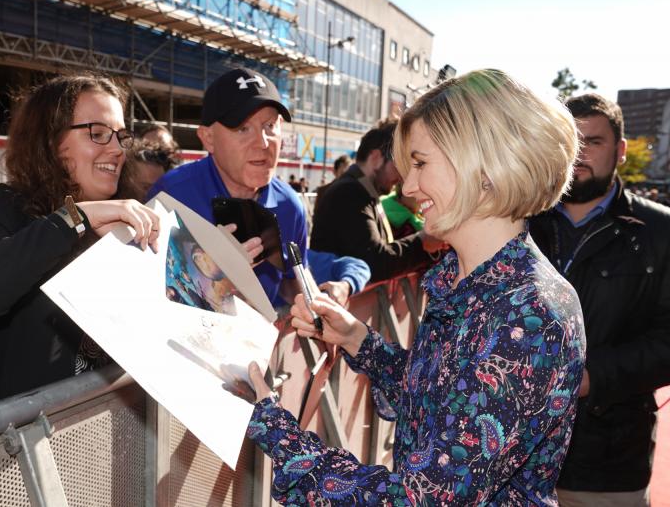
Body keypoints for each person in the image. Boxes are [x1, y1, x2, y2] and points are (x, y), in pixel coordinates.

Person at [245, 69, 586, 505]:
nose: (407, 186)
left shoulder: (529, 313)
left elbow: (422, 498)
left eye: (421, 164)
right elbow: (444, 398)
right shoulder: (476, 283)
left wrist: (279, 433)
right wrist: (356, 338)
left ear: (483, 166)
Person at [0, 74, 160, 407]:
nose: (116, 150)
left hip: (113, 440)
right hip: (22, 448)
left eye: (121, 137)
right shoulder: (4, 205)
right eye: (98, 134)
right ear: (50, 140)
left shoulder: (129, 225)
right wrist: (75, 218)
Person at [529, 93, 670, 506]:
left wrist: (593, 378)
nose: (579, 153)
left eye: (593, 141)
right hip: (511, 456)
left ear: (621, 151)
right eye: (570, 141)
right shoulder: (519, 219)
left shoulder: (660, 233)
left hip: (605, 465)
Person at [147, 67, 347, 306]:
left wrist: (319, 308)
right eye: (243, 128)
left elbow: (294, 278)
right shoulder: (172, 195)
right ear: (208, 138)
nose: (263, 143)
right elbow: (142, 291)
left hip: (259, 342)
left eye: (270, 126)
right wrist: (212, 272)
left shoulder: (290, 205)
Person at [311, 117, 441, 282]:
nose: (403, 177)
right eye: (399, 165)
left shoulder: (362, 191)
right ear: (375, 158)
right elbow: (374, 262)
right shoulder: (349, 193)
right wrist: (422, 241)